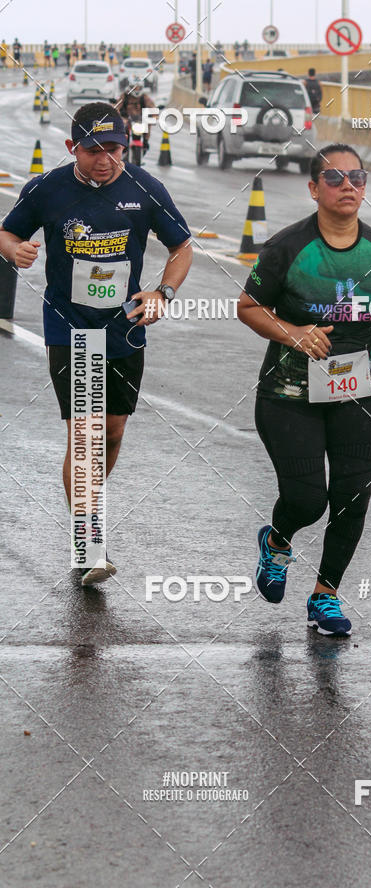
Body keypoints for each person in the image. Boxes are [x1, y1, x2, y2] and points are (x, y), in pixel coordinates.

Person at [0, 102, 193, 585]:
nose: (104, 160)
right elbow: (7, 232)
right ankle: (89, 543)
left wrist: (163, 292)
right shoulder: (47, 189)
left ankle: (84, 503)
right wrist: (15, 249)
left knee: (112, 432)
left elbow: (181, 246)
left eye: (113, 149)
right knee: (85, 436)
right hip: (70, 328)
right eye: (92, 151)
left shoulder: (145, 188)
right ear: (73, 148)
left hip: (125, 327)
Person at [238, 144, 371, 637]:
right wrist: (293, 333)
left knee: (351, 497)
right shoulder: (287, 247)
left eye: (357, 177)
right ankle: (277, 542)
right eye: (335, 178)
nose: (348, 186)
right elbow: (248, 307)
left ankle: (326, 594)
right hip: (289, 394)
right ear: (314, 188)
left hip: (360, 390)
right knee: (307, 500)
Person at [115, 83, 154, 156]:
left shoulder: (144, 96)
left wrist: (154, 113)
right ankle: (122, 144)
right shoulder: (124, 96)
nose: (137, 89)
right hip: (127, 119)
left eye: (138, 87)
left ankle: (145, 141)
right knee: (121, 126)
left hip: (140, 120)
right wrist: (116, 113)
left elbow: (152, 106)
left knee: (148, 123)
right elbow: (117, 106)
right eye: (134, 87)